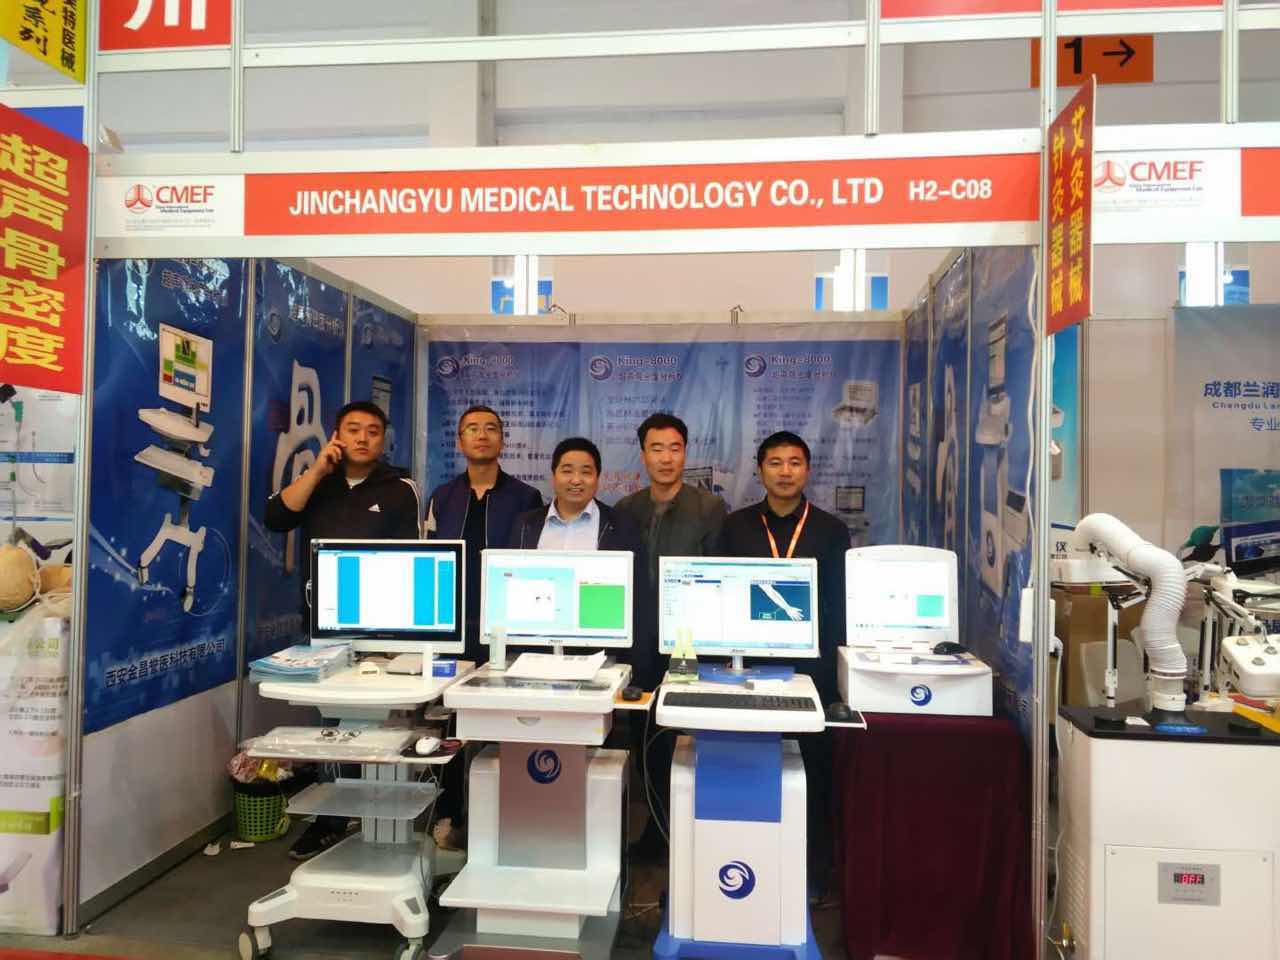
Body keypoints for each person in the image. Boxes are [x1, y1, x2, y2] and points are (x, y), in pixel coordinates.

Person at [264, 400, 421, 861]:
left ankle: (382, 811)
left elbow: (411, 558)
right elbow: (277, 518)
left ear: (383, 439)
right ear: (337, 434)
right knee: (333, 724)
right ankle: (331, 819)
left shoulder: (400, 488)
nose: (363, 438)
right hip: (323, 625)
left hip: (381, 628)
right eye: (353, 429)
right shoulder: (317, 481)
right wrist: (317, 470)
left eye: (373, 431)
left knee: (376, 723)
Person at [717, 430, 850, 901]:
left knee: (812, 770)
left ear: (808, 470)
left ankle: (812, 869)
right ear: (760, 470)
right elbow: (722, 594)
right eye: (775, 462)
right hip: (749, 667)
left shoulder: (831, 531)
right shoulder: (735, 527)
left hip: (812, 671)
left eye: (795, 462)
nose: (785, 471)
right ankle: (751, 859)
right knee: (752, 762)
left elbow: (840, 605)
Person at [511, 437, 651, 678]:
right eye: (567, 471)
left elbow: (637, 600)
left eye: (586, 472)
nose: (576, 480)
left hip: (600, 658)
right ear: (553, 476)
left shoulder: (622, 526)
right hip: (535, 654)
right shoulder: (525, 524)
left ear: (597, 478)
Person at [425, 404, 543, 664]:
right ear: (459, 442)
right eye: (472, 429)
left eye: (491, 429)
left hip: (505, 625)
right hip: (451, 623)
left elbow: (532, 566)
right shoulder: (442, 496)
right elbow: (429, 558)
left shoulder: (526, 497)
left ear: (502, 442)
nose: (482, 435)